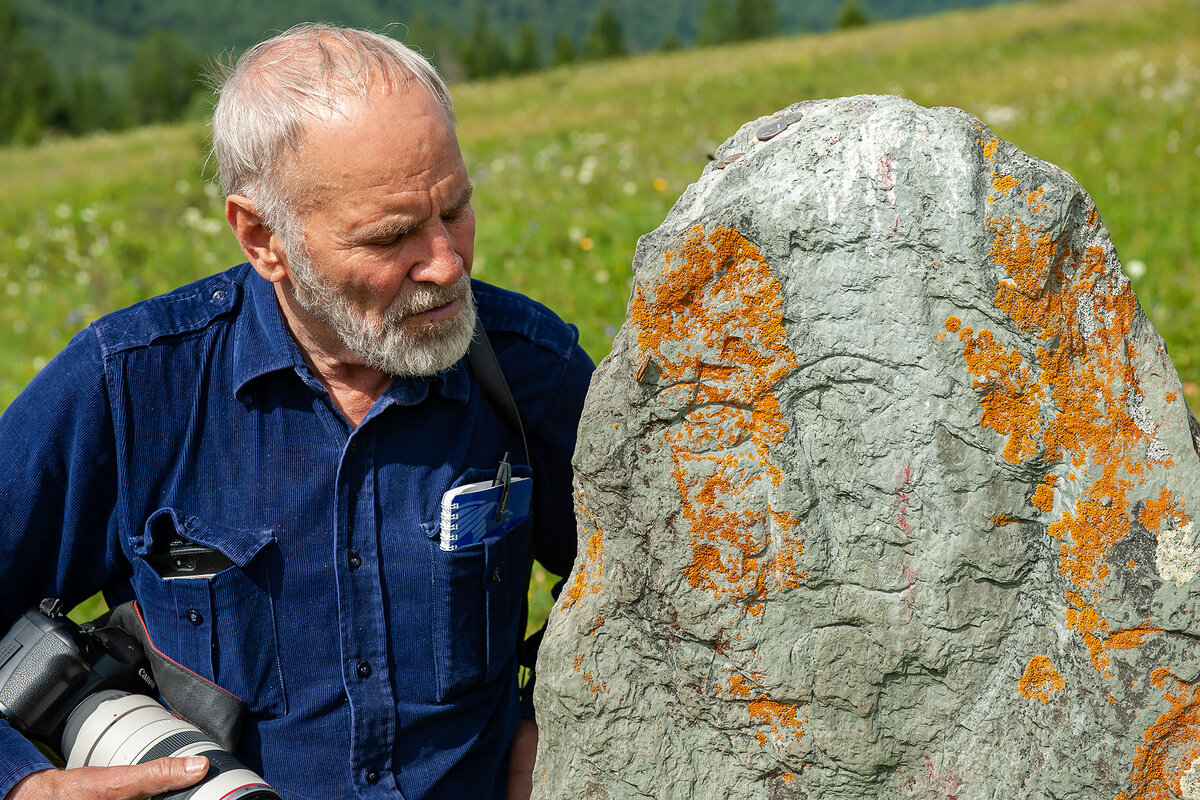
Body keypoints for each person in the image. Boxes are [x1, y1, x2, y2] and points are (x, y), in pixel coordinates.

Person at [0, 23, 592, 800]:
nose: (447, 264)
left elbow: (644, 583)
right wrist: (23, 785)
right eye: (393, 236)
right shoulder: (131, 387)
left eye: (455, 210)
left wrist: (553, 715)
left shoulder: (529, 371)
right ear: (262, 237)